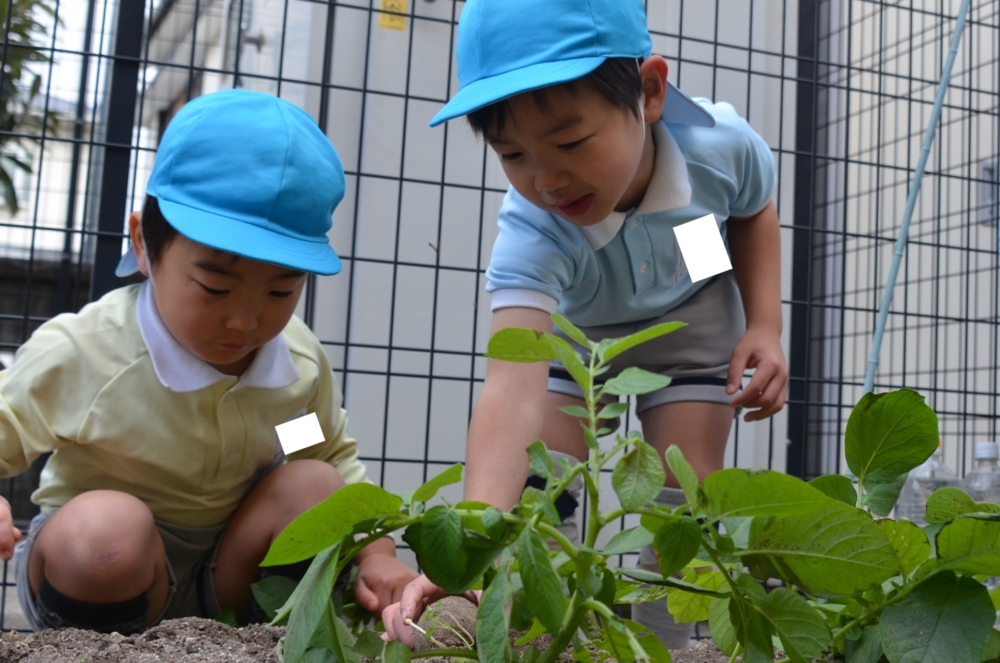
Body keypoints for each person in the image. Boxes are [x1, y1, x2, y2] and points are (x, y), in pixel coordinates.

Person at [382, 0, 787, 649]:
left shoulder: (719, 145)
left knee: (683, 499)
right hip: (578, 349)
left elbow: (753, 207)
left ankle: (669, 644)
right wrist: (470, 549)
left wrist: (765, 324)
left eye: (569, 142)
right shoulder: (533, 227)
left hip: (691, 324)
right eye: (512, 153)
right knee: (545, 493)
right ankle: (560, 637)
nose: (546, 179)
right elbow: (512, 387)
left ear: (650, 92)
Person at [0, 89, 417, 634]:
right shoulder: (86, 355)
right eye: (215, 288)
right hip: (100, 576)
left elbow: (327, 457)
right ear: (144, 246)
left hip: (225, 580)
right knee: (106, 533)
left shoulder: (295, 369)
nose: (246, 323)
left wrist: (377, 555)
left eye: (280, 293)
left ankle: (254, 641)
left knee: (311, 485)